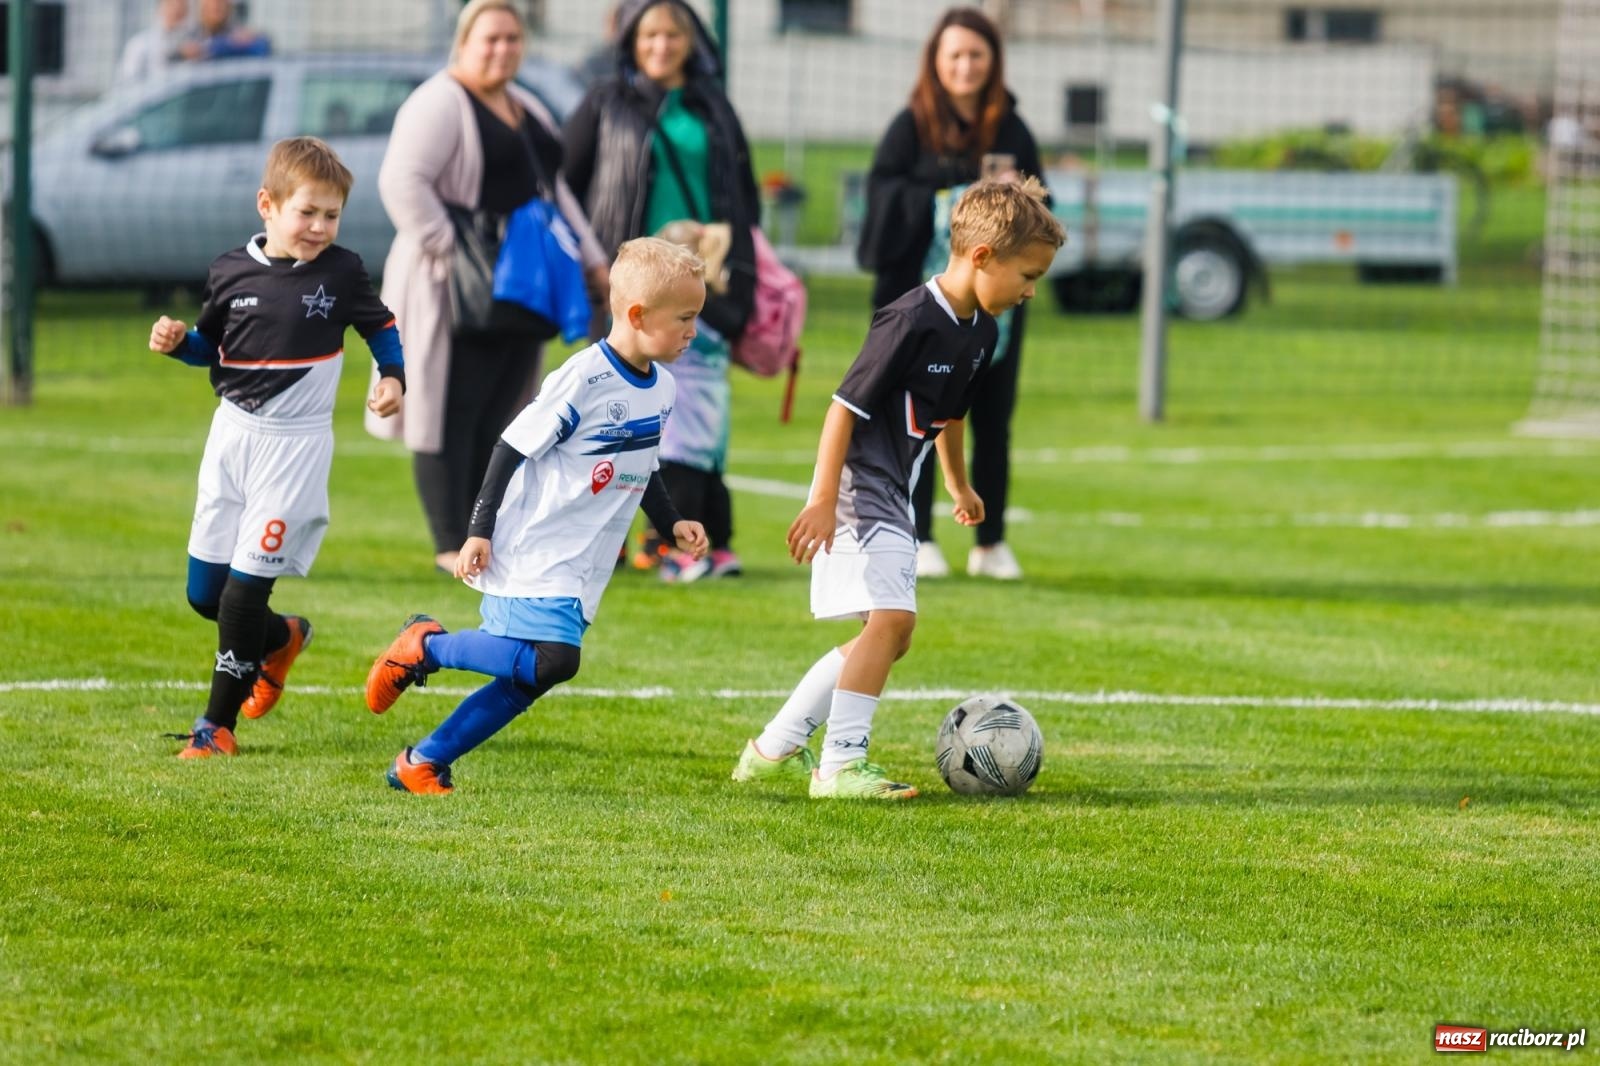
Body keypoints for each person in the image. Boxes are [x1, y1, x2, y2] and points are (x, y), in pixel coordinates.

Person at [732, 179, 1063, 799]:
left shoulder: (982, 333)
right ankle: (839, 766)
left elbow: (951, 416)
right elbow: (842, 410)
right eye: (1028, 274)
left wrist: (958, 486)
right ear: (982, 256)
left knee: (891, 632)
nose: (1031, 291)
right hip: (860, 486)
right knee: (892, 619)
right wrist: (823, 499)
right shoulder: (909, 319)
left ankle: (774, 747)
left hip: (897, 490)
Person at [364, 237, 709, 795]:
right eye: (686, 319)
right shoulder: (584, 377)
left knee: (528, 677)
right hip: (538, 543)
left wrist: (670, 522)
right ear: (639, 314)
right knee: (555, 661)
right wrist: (479, 531)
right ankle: (426, 646)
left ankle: (421, 762)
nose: (694, 331)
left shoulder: (662, 387)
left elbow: (641, 465)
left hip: (584, 556)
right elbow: (512, 446)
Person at [147, 136, 406, 759]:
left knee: (242, 593)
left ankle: (215, 728)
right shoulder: (229, 269)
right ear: (268, 204)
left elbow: (381, 326)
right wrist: (178, 341)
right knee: (203, 595)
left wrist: (393, 378)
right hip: (231, 438)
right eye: (307, 212)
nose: (320, 226)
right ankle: (282, 639)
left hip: (295, 449)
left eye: (331, 214)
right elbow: (211, 345)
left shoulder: (342, 271)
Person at [365, 0, 609, 574]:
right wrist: (452, 248)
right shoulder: (439, 101)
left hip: (520, 290)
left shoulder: (524, 106)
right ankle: (451, 540)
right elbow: (401, 182)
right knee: (447, 409)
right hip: (451, 288)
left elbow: (554, 191)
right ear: (464, 42)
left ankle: (486, 534)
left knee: (505, 409)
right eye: (490, 39)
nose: (502, 49)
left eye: (512, 39)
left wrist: (592, 258)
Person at [563, 0, 761, 577]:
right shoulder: (606, 102)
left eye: (673, 34)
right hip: (631, 291)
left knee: (696, 416)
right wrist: (593, 261)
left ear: (691, 41)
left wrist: (740, 282)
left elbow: (743, 197)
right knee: (616, 410)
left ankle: (691, 538)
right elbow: (565, 180)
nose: (661, 45)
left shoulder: (713, 108)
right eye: (649, 34)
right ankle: (615, 542)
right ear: (630, 41)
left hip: (706, 289)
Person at [858, 7, 1049, 582]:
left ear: (993, 63)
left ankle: (991, 541)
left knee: (993, 417)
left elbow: (1044, 215)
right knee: (916, 417)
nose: (965, 66)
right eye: (955, 56)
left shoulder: (1013, 131)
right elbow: (881, 214)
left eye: (976, 56)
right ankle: (917, 534)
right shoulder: (909, 127)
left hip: (995, 310)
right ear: (936, 63)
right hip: (922, 303)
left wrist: (1017, 200)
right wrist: (950, 196)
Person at [116, 0, 190, 83]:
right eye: (172, 6)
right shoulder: (140, 44)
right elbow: (127, 81)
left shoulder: (193, 45)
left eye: (182, 9)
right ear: (160, 8)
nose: (176, 10)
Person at [176, 0, 270, 62]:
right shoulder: (189, 34)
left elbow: (263, 46)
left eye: (220, 5)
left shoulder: (237, 33)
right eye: (211, 6)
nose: (215, 8)